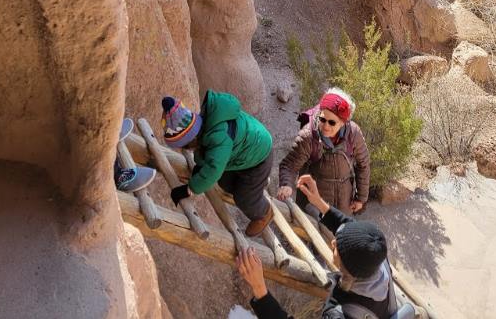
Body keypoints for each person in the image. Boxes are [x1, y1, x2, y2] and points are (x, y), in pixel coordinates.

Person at [236, 175, 416, 319]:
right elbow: (349, 226)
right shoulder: (377, 257)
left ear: (347, 269)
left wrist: (260, 290)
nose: (333, 242)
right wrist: (319, 202)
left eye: (337, 247)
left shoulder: (339, 314)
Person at [162, 90, 274, 235]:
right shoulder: (206, 125)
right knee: (225, 182)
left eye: (183, 146)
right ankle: (256, 185)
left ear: (190, 140)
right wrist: (201, 170)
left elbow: (214, 168)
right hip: (244, 150)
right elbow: (208, 153)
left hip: (259, 156)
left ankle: (264, 213)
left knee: (243, 197)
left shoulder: (219, 138)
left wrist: (190, 188)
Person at [278, 88, 370, 219]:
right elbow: (289, 165)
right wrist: (286, 184)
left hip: (344, 199)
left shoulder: (353, 134)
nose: (326, 126)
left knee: (339, 232)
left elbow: (363, 165)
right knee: (313, 232)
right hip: (313, 199)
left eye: (332, 122)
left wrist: (361, 198)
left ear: (344, 122)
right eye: (322, 119)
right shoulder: (308, 136)